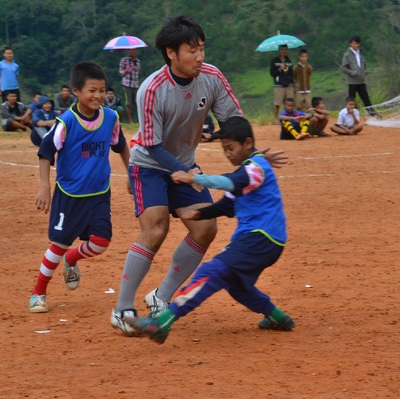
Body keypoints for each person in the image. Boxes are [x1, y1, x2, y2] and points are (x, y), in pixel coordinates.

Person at [110, 15, 286, 336]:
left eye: (202, 49)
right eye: (192, 50)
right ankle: (122, 308)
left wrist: (255, 156)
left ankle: (161, 297)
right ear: (171, 53)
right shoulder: (151, 89)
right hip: (148, 164)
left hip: (184, 164)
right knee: (156, 228)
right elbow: (149, 143)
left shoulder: (212, 78)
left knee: (205, 228)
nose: (200, 57)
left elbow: (234, 122)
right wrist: (182, 172)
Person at [124, 116, 295, 344]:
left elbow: (230, 183)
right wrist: (199, 214)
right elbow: (227, 204)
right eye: (224, 149)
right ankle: (278, 318)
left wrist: (195, 178)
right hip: (261, 240)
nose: (228, 154)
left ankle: (162, 322)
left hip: (261, 238)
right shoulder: (248, 171)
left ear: (247, 143)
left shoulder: (256, 168)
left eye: (231, 148)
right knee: (237, 285)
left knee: (212, 272)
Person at [29, 61, 130, 313]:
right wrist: (44, 187)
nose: (98, 96)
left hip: (99, 193)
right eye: (91, 90)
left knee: (101, 242)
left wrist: (132, 174)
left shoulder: (110, 118)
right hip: (69, 194)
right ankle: (38, 292)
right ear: (76, 91)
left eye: (102, 90)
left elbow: (121, 147)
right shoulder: (66, 122)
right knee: (59, 244)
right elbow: (45, 153)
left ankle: (72, 259)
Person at [341, 35, 380, 118]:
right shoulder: (347, 55)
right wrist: (352, 73)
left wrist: (364, 71)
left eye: (357, 43)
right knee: (351, 100)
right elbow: (343, 68)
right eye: (354, 43)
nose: (355, 45)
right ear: (350, 44)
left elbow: (363, 65)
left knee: (366, 98)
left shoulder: (361, 54)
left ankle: (373, 114)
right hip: (352, 81)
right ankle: (352, 116)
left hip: (361, 80)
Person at [270, 44, 294, 119]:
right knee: (277, 103)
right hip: (279, 85)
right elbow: (272, 73)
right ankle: (276, 118)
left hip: (288, 85)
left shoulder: (289, 61)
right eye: (282, 50)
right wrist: (280, 69)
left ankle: (287, 118)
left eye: (286, 50)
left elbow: (291, 73)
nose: (284, 51)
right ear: (280, 50)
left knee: (289, 103)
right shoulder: (274, 61)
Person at [119, 48, 141, 124]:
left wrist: (134, 68)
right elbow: (120, 72)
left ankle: (140, 119)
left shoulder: (138, 61)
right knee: (128, 102)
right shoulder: (124, 60)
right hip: (127, 83)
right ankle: (130, 120)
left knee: (138, 102)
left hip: (135, 84)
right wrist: (125, 71)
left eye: (134, 50)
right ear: (128, 51)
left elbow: (138, 71)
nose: (133, 51)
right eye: (131, 50)